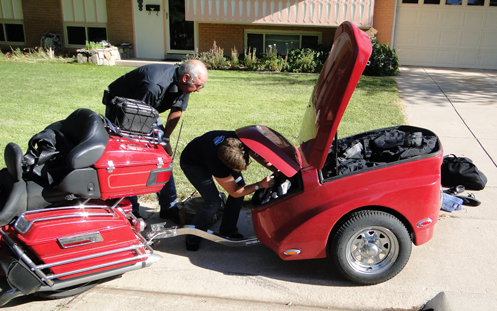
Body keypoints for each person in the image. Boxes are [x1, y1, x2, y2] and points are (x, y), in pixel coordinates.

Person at [104, 60, 208, 222]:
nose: (199, 90)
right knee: (132, 160)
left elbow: (177, 110)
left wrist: (164, 139)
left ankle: (169, 207)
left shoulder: (184, 85)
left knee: (163, 158)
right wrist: (144, 146)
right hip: (125, 111)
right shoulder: (154, 85)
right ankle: (131, 210)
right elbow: (136, 120)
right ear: (186, 77)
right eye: (198, 85)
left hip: (146, 111)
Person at [180, 130, 276, 251]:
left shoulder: (240, 142)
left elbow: (257, 155)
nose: (245, 170)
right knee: (213, 202)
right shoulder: (217, 163)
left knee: (242, 188)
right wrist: (259, 185)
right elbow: (235, 192)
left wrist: (275, 168)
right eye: (239, 168)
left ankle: (228, 230)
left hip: (210, 151)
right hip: (193, 163)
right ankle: (193, 236)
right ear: (227, 166)